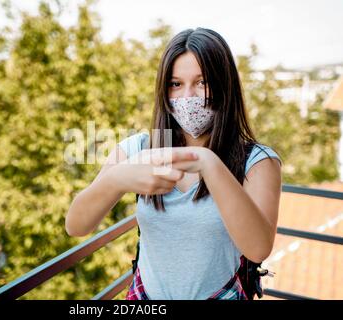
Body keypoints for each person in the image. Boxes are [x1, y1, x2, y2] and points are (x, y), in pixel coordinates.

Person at [65, 28, 282, 300]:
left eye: (202, 82)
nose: (188, 97)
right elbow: (76, 226)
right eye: (176, 84)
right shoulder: (139, 148)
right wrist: (117, 179)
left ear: (224, 85)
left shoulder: (257, 160)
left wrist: (209, 163)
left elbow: (259, 248)